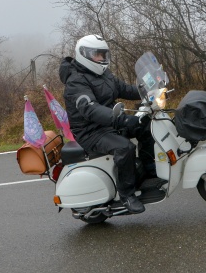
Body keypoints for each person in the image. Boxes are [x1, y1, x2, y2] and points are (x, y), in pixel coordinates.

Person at [59, 34, 156, 214]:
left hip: (108, 122)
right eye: (97, 54)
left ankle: (149, 167)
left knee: (144, 124)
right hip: (90, 131)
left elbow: (123, 89)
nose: (101, 58)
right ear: (84, 54)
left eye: (103, 54)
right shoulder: (75, 81)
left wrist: (147, 89)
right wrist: (120, 119)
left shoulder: (103, 73)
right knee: (124, 147)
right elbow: (90, 108)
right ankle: (127, 195)